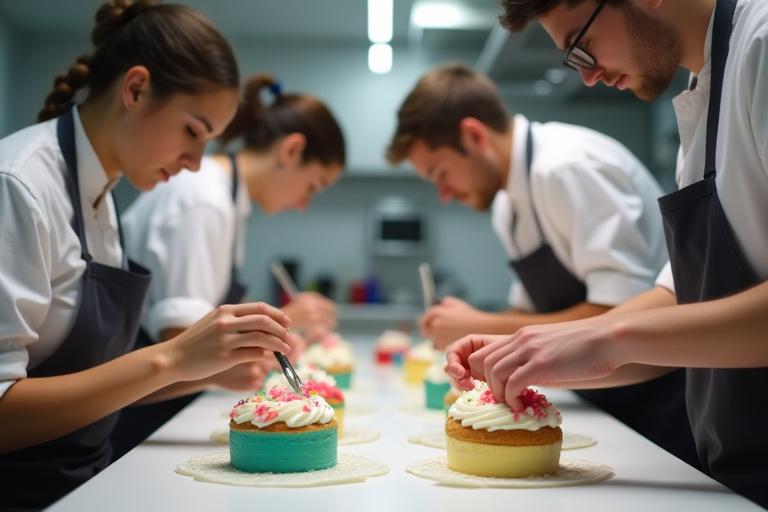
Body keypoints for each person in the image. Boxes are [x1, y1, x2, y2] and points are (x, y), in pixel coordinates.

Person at [446, 0, 768, 506]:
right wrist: (535, 346)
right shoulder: (703, 98)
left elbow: (633, 329)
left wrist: (607, 336)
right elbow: (684, 296)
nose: (589, 75)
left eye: (581, 43)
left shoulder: (762, 45)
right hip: (735, 469)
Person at [0, 2, 296, 509]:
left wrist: (202, 368)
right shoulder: (19, 185)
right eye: (192, 131)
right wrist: (173, 358)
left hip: (86, 485)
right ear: (135, 89)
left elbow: (97, 386)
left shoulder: (101, 198)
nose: (197, 162)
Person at [386, 63, 697, 467]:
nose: (444, 193)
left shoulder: (566, 169)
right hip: (597, 396)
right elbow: (530, 315)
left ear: (473, 135)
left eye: (440, 173)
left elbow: (616, 314)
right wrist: (478, 333)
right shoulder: (508, 204)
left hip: (658, 400)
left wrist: (476, 325)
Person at [109, 74, 345, 458]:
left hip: (157, 410)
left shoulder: (226, 200)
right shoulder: (203, 198)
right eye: (313, 185)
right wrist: (281, 320)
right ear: (291, 150)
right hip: (133, 426)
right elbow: (180, 343)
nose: (304, 203)